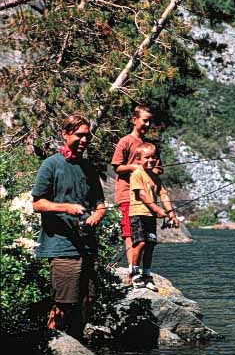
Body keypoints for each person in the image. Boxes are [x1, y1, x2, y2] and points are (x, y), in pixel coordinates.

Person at [32, 114, 106, 340]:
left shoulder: (89, 168)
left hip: (87, 245)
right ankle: (53, 345)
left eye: (87, 136)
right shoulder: (51, 164)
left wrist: (96, 216)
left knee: (87, 300)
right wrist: (67, 208)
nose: (84, 140)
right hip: (61, 246)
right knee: (64, 303)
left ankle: (76, 344)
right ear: (65, 134)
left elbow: (101, 204)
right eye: (79, 135)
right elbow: (37, 203)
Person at [111, 105, 161, 276]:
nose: (147, 124)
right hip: (127, 194)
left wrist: (155, 169)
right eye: (144, 120)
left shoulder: (149, 146)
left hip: (147, 196)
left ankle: (143, 272)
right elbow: (117, 167)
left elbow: (156, 170)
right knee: (130, 235)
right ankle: (133, 274)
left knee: (147, 238)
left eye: (149, 121)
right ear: (134, 120)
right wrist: (134, 167)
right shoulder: (125, 141)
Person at [129, 142, 179, 291]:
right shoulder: (137, 174)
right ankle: (134, 273)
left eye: (153, 157)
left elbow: (163, 195)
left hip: (150, 217)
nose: (150, 160)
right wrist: (157, 209)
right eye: (146, 157)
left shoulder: (155, 178)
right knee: (140, 243)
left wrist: (172, 214)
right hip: (137, 214)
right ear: (138, 160)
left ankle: (147, 275)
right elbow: (142, 195)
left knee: (150, 245)